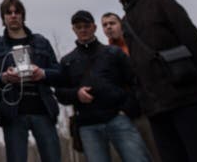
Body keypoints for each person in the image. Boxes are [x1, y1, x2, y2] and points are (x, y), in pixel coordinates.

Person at [107, 0, 197, 162]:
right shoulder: (125, 22)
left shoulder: (160, 2)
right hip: (155, 107)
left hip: (185, 96)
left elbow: (193, 41)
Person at [57, 10, 149, 162]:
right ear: (74, 30)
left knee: (138, 159)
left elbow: (135, 81)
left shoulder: (114, 53)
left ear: (94, 27)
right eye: (78, 27)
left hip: (118, 119)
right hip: (88, 126)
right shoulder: (67, 61)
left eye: (86, 26)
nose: (83, 30)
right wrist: (76, 94)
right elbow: (60, 93)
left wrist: (128, 109)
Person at [0, 0, 61, 162]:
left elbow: (59, 73)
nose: (13, 15)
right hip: (13, 114)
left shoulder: (41, 42)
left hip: (43, 111)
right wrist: (4, 77)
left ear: (22, 15)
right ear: (3, 18)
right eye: (8, 12)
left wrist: (43, 73)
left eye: (17, 12)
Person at [100, 13, 161, 162]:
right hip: (128, 112)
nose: (108, 27)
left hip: (152, 106)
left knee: (159, 150)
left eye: (112, 23)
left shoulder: (135, 46)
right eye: (105, 25)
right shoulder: (105, 55)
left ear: (121, 25)